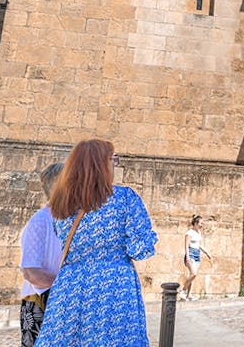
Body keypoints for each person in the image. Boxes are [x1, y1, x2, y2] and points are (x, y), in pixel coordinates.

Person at [35, 140, 157, 347]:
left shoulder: (61, 204)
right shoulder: (124, 198)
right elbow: (141, 249)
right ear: (101, 164)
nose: (116, 164)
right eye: (113, 159)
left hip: (70, 285)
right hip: (113, 285)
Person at [19, 162, 65, 347]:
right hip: (39, 302)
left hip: (64, 300)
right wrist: (68, 286)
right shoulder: (40, 221)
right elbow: (31, 273)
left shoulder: (70, 221)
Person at [182, 214, 212, 300]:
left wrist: (207, 253)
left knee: (192, 276)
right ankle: (183, 290)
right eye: (201, 223)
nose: (202, 225)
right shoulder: (189, 233)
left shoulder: (198, 233)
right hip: (190, 253)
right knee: (194, 273)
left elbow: (199, 245)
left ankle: (189, 295)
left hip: (197, 254)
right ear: (196, 223)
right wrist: (187, 257)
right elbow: (186, 246)